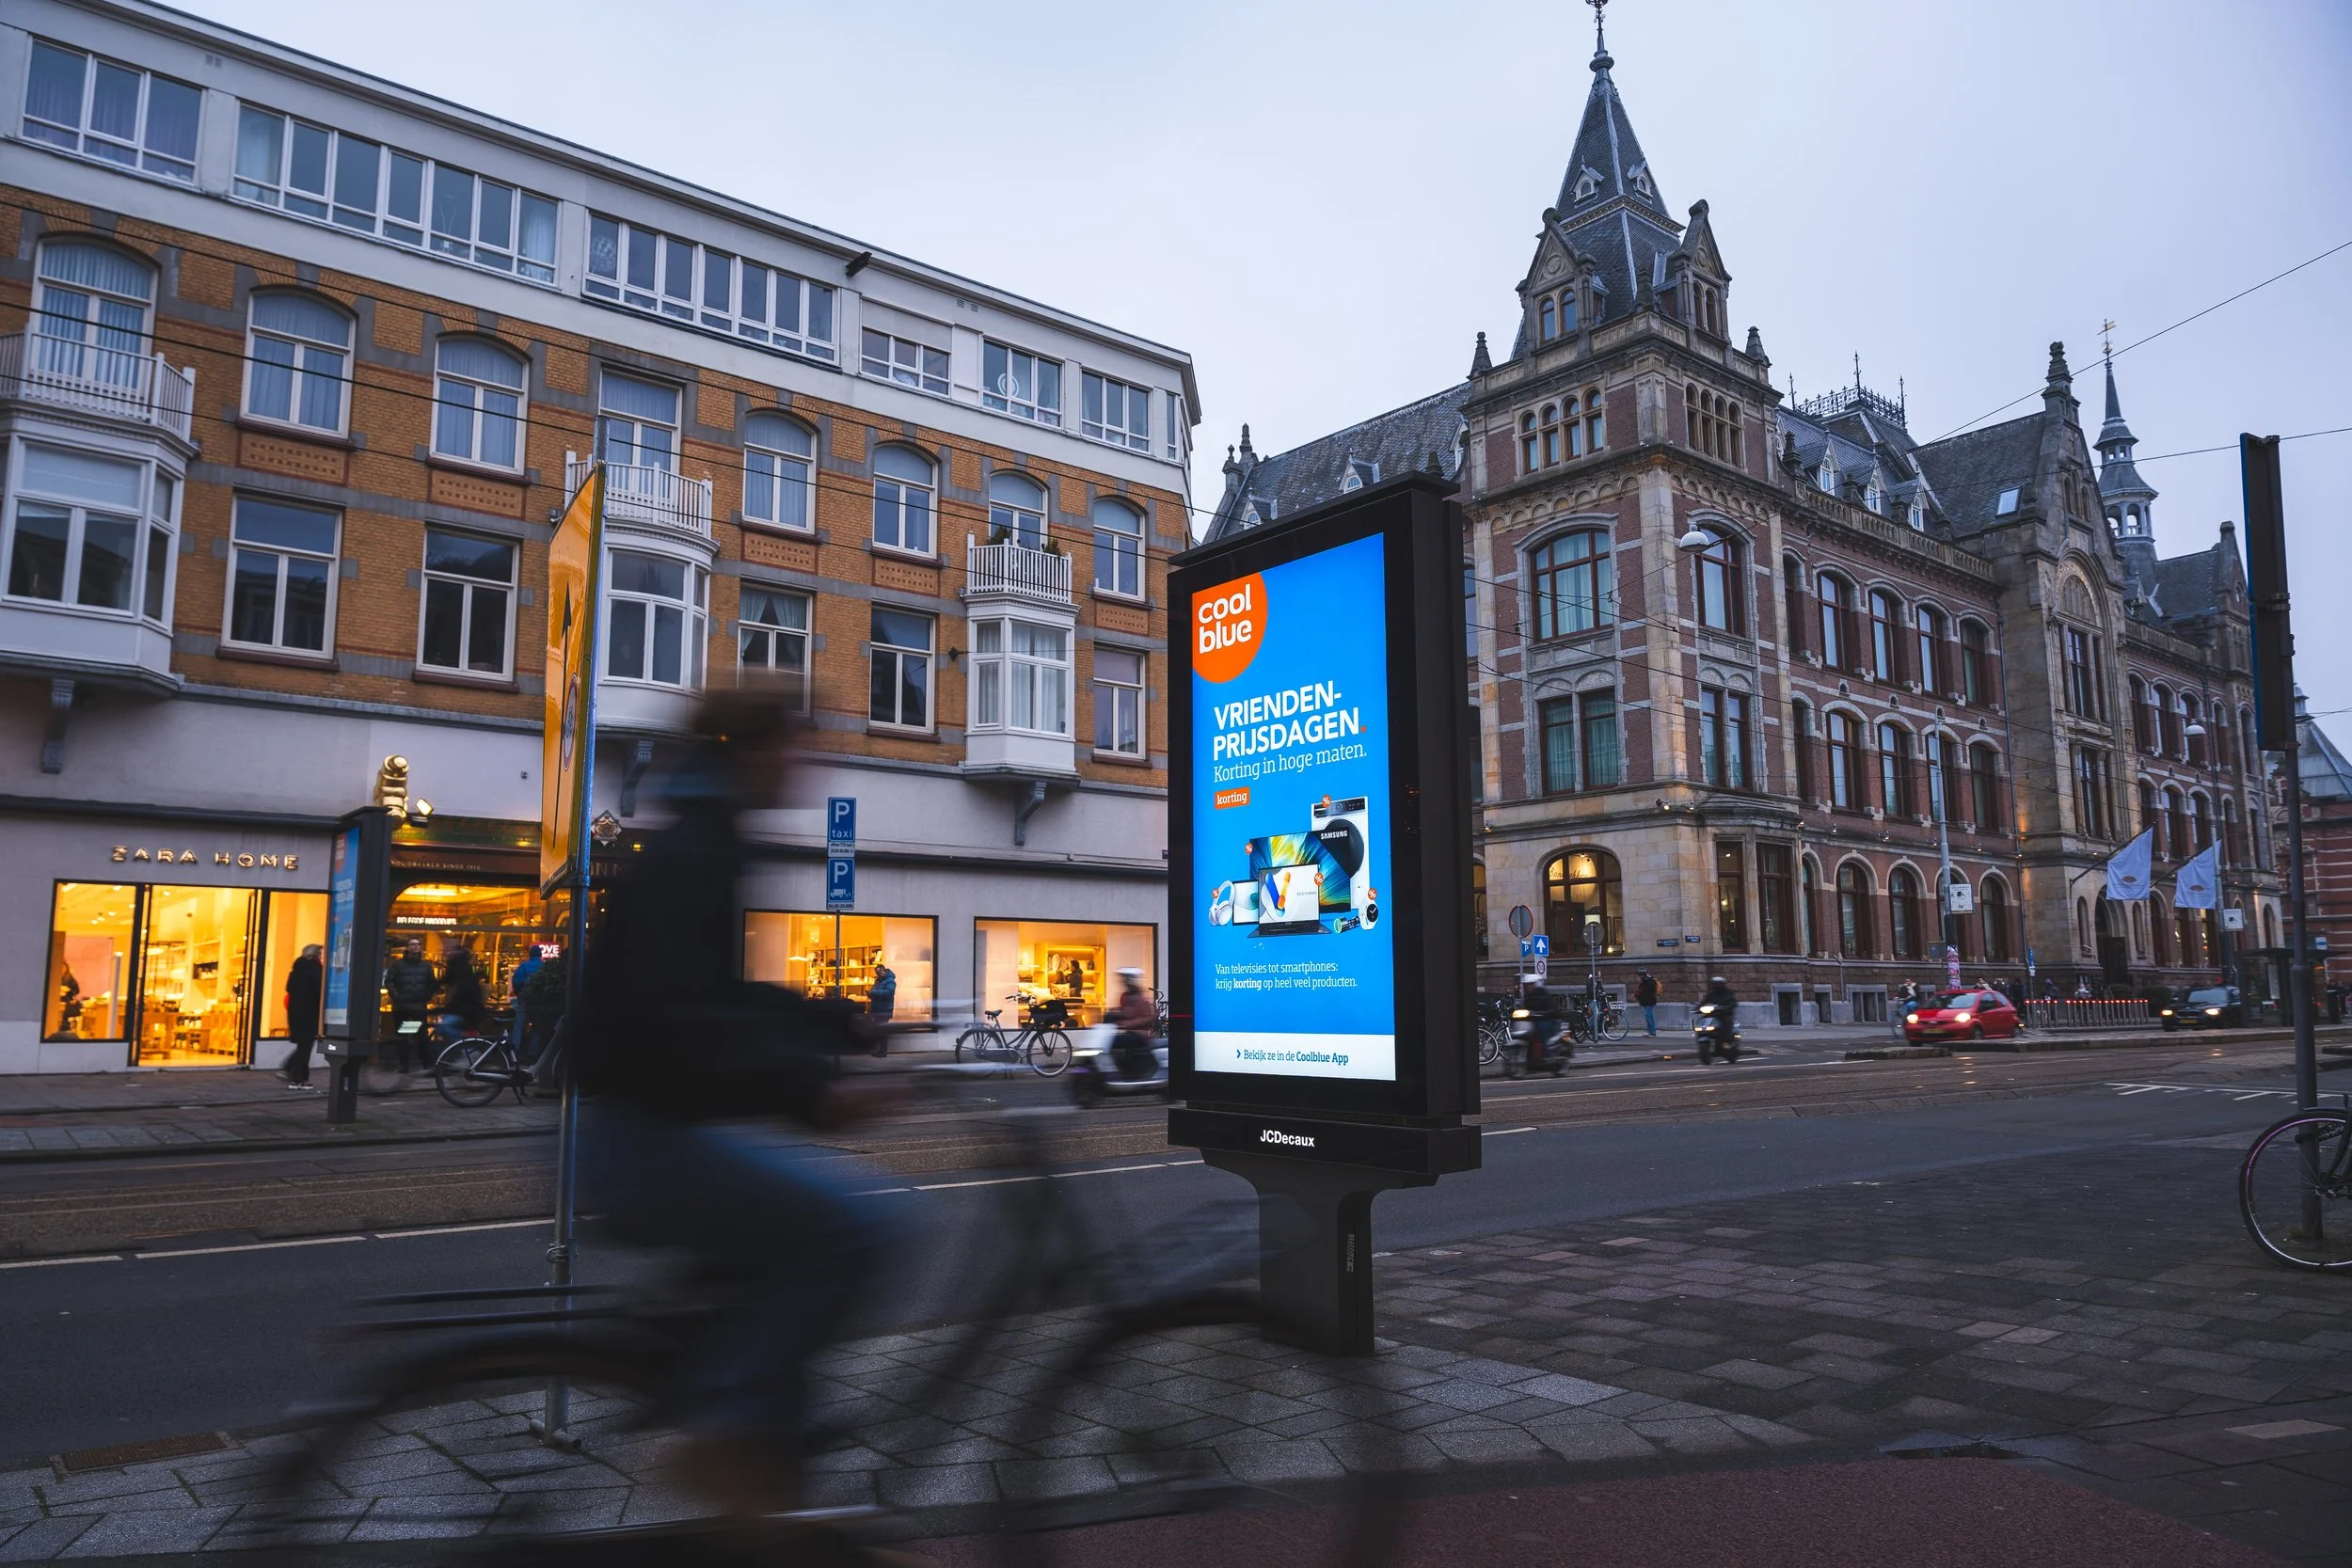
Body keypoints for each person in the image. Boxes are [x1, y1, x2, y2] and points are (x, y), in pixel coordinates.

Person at [577, 682, 900, 1523]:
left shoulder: (702, 836)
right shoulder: (702, 849)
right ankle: (732, 1435)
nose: (807, 764)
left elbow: (714, 996)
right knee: (855, 1228)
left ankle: (772, 1484)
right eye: (798, 746)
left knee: (776, 1260)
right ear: (754, 752)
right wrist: (813, 1093)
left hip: (640, 1128)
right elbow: (680, 1021)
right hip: (639, 1141)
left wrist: (830, 1019)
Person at [383, 938, 438, 1070]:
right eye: (413, 944)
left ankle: (426, 1063)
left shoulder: (426, 966)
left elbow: (432, 983)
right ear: (407, 948)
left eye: (417, 944)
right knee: (403, 1036)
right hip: (402, 1007)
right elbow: (389, 982)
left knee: (422, 1036)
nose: (415, 947)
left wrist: (426, 997)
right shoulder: (398, 965)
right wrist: (397, 997)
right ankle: (404, 1064)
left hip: (418, 1006)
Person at [281, 943, 323, 1088]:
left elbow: (290, 990)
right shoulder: (315, 970)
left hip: (296, 1014)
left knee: (303, 1046)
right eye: (320, 954)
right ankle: (297, 1079)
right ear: (315, 955)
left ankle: (297, 1076)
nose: (322, 957)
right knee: (305, 1048)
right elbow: (319, 992)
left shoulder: (296, 971)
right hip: (309, 1014)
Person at [1108, 967, 1159, 1080]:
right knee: (1112, 1041)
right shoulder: (1126, 996)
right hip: (1131, 1031)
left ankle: (1128, 1071)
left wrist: (1128, 1023)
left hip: (1141, 1033)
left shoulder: (1141, 998)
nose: (1124, 982)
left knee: (1116, 1042)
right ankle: (1124, 1068)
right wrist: (1112, 1014)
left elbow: (1148, 1018)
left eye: (1126, 980)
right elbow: (1124, 1011)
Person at [439, 937, 489, 1039]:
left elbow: (448, 982)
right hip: (465, 1010)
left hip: (464, 1011)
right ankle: (460, 1048)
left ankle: (459, 1048)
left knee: (445, 1026)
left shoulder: (458, 969)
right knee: (448, 1026)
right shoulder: (464, 969)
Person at [508, 944, 546, 1061]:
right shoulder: (544, 967)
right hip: (539, 999)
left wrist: (520, 993)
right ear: (540, 955)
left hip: (524, 998)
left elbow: (516, 981)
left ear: (530, 955)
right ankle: (532, 1053)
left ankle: (514, 1052)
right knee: (537, 1027)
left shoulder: (524, 966)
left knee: (519, 1026)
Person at [866, 961, 897, 1057]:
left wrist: (874, 992)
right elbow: (875, 991)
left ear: (884, 970)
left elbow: (889, 993)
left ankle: (883, 1051)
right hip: (877, 1008)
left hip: (884, 1009)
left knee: (882, 1030)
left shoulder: (890, 981)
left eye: (879, 973)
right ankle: (880, 1050)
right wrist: (870, 994)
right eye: (877, 973)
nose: (878, 975)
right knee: (879, 1030)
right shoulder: (878, 981)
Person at [1635, 970, 1661, 1037]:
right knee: (1649, 1016)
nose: (1638, 978)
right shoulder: (1648, 981)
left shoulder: (1648, 982)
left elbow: (1646, 992)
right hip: (1649, 1001)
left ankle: (1652, 1032)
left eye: (1639, 976)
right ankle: (1650, 1031)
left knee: (1648, 1016)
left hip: (1649, 1001)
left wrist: (1639, 997)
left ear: (1641, 976)